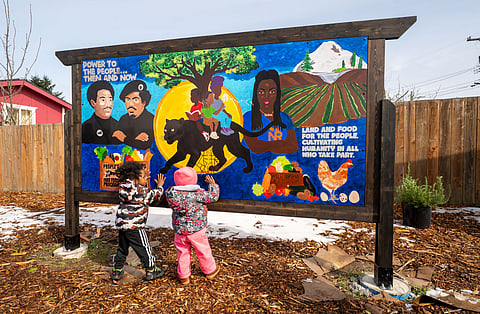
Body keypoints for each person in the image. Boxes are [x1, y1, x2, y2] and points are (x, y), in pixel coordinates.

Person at [111, 161, 166, 281]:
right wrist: (160, 186)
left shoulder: (123, 188)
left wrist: (144, 178)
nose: (146, 177)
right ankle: (151, 270)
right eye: (143, 176)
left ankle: (117, 270)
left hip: (122, 224)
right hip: (135, 225)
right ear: (134, 178)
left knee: (122, 248)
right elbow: (155, 195)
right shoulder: (141, 191)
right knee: (144, 247)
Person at [165, 167, 220, 285]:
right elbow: (213, 197)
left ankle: (184, 276)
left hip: (180, 231)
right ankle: (210, 271)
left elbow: (169, 192)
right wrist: (213, 185)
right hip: (197, 230)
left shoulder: (171, 194)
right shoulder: (198, 194)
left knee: (182, 252)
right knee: (203, 250)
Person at [243, 70, 298, 154]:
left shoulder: (285, 118)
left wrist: (266, 146)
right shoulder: (248, 117)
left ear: (277, 93)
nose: (266, 96)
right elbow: (255, 147)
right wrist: (281, 144)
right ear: (256, 94)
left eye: (272, 92)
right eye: (261, 92)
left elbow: (293, 146)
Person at [113, 80, 154, 150]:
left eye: (135, 100)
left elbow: (145, 145)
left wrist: (124, 138)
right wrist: (135, 140)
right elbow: (115, 140)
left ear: (143, 102)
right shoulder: (123, 119)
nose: (130, 104)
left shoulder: (151, 120)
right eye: (128, 100)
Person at [82, 80, 120, 144]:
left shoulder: (118, 126)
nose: (108, 104)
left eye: (110, 99)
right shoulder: (86, 128)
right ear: (93, 103)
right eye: (103, 100)